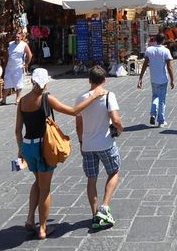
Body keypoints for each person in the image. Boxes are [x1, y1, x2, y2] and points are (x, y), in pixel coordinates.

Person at [16, 67, 108, 239]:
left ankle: (30, 219)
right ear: (45, 82)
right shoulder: (46, 98)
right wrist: (94, 96)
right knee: (45, 189)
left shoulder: (22, 101)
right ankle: (43, 229)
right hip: (43, 147)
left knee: (38, 182)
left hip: (28, 146)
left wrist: (20, 149)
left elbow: (17, 130)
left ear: (33, 81)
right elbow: (73, 111)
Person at [75, 66, 123, 230]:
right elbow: (115, 120)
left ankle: (95, 215)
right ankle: (104, 206)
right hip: (105, 143)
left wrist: (81, 142)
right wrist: (120, 129)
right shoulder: (109, 96)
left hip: (88, 145)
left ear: (89, 80)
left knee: (91, 178)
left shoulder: (81, 98)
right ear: (104, 80)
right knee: (114, 171)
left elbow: (78, 125)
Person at [137, 33, 175, 127]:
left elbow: (145, 65)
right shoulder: (166, 51)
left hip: (153, 78)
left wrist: (140, 78)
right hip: (163, 78)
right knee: (162, 100)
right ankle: (161, 121)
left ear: (155, 40)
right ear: (163, 40)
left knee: (155, 96)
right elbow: (169, 67)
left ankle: (153, 114)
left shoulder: (149, 50)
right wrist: (172, 80)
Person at [2, 30, 33, 105]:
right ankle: (3, 100)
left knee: (18, 83)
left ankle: (18, 99)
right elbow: (7, 55)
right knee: (7, 83)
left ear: (21, 37)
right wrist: (4, 66)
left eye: (18, 37)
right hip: (9, 67)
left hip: (18, 67)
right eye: (15, 37)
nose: (17, 38)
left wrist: (26, 64)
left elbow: (29, 55)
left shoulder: (24, 45)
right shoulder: (10, 44)